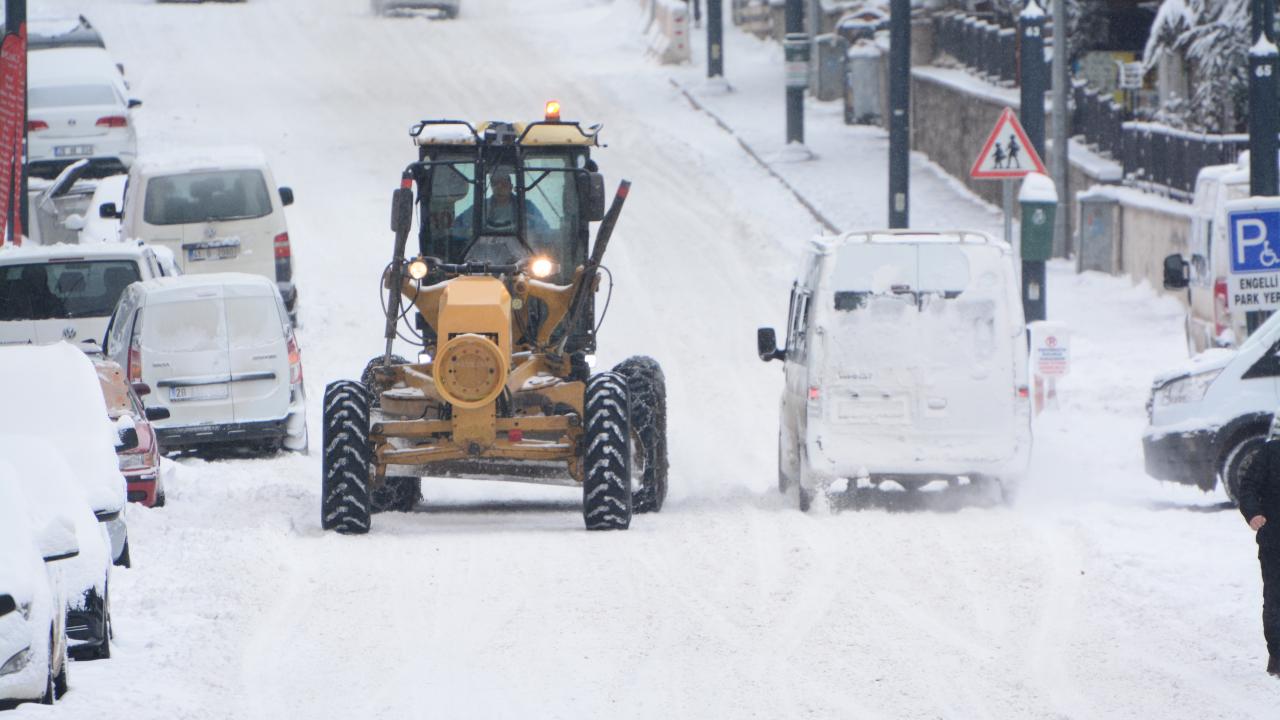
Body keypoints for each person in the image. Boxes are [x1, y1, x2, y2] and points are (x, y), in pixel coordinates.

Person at [1240, 419, 1280, 677]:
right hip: (1275, 540)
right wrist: (1253, 513)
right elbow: (1248, 487)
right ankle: (1277, 654)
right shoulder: (1270, 453)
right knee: (1276, 598)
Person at [449, 166, 549, 260]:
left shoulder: (526, 207)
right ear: (491, 187)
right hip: (485, 263)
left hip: (520, 260)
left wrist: (531, 225)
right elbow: (457, 228)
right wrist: (467, 231)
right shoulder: (480, 208)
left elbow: (543, 229)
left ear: (511, 186)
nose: (499, 188)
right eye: (495, 184)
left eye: (504, 184)